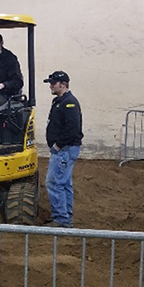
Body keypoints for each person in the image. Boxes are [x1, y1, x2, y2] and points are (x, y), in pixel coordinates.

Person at [43, 71, 83, 228]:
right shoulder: (61, 101)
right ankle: (65, 216)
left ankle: (61, 218)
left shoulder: (69, 103)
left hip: (64, 149)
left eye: (53, 83)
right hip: (65, 149)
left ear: (63, 84)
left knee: (54, 182)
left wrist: (58, 145)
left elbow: (72, 128)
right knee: (64, 183)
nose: (51, 86)